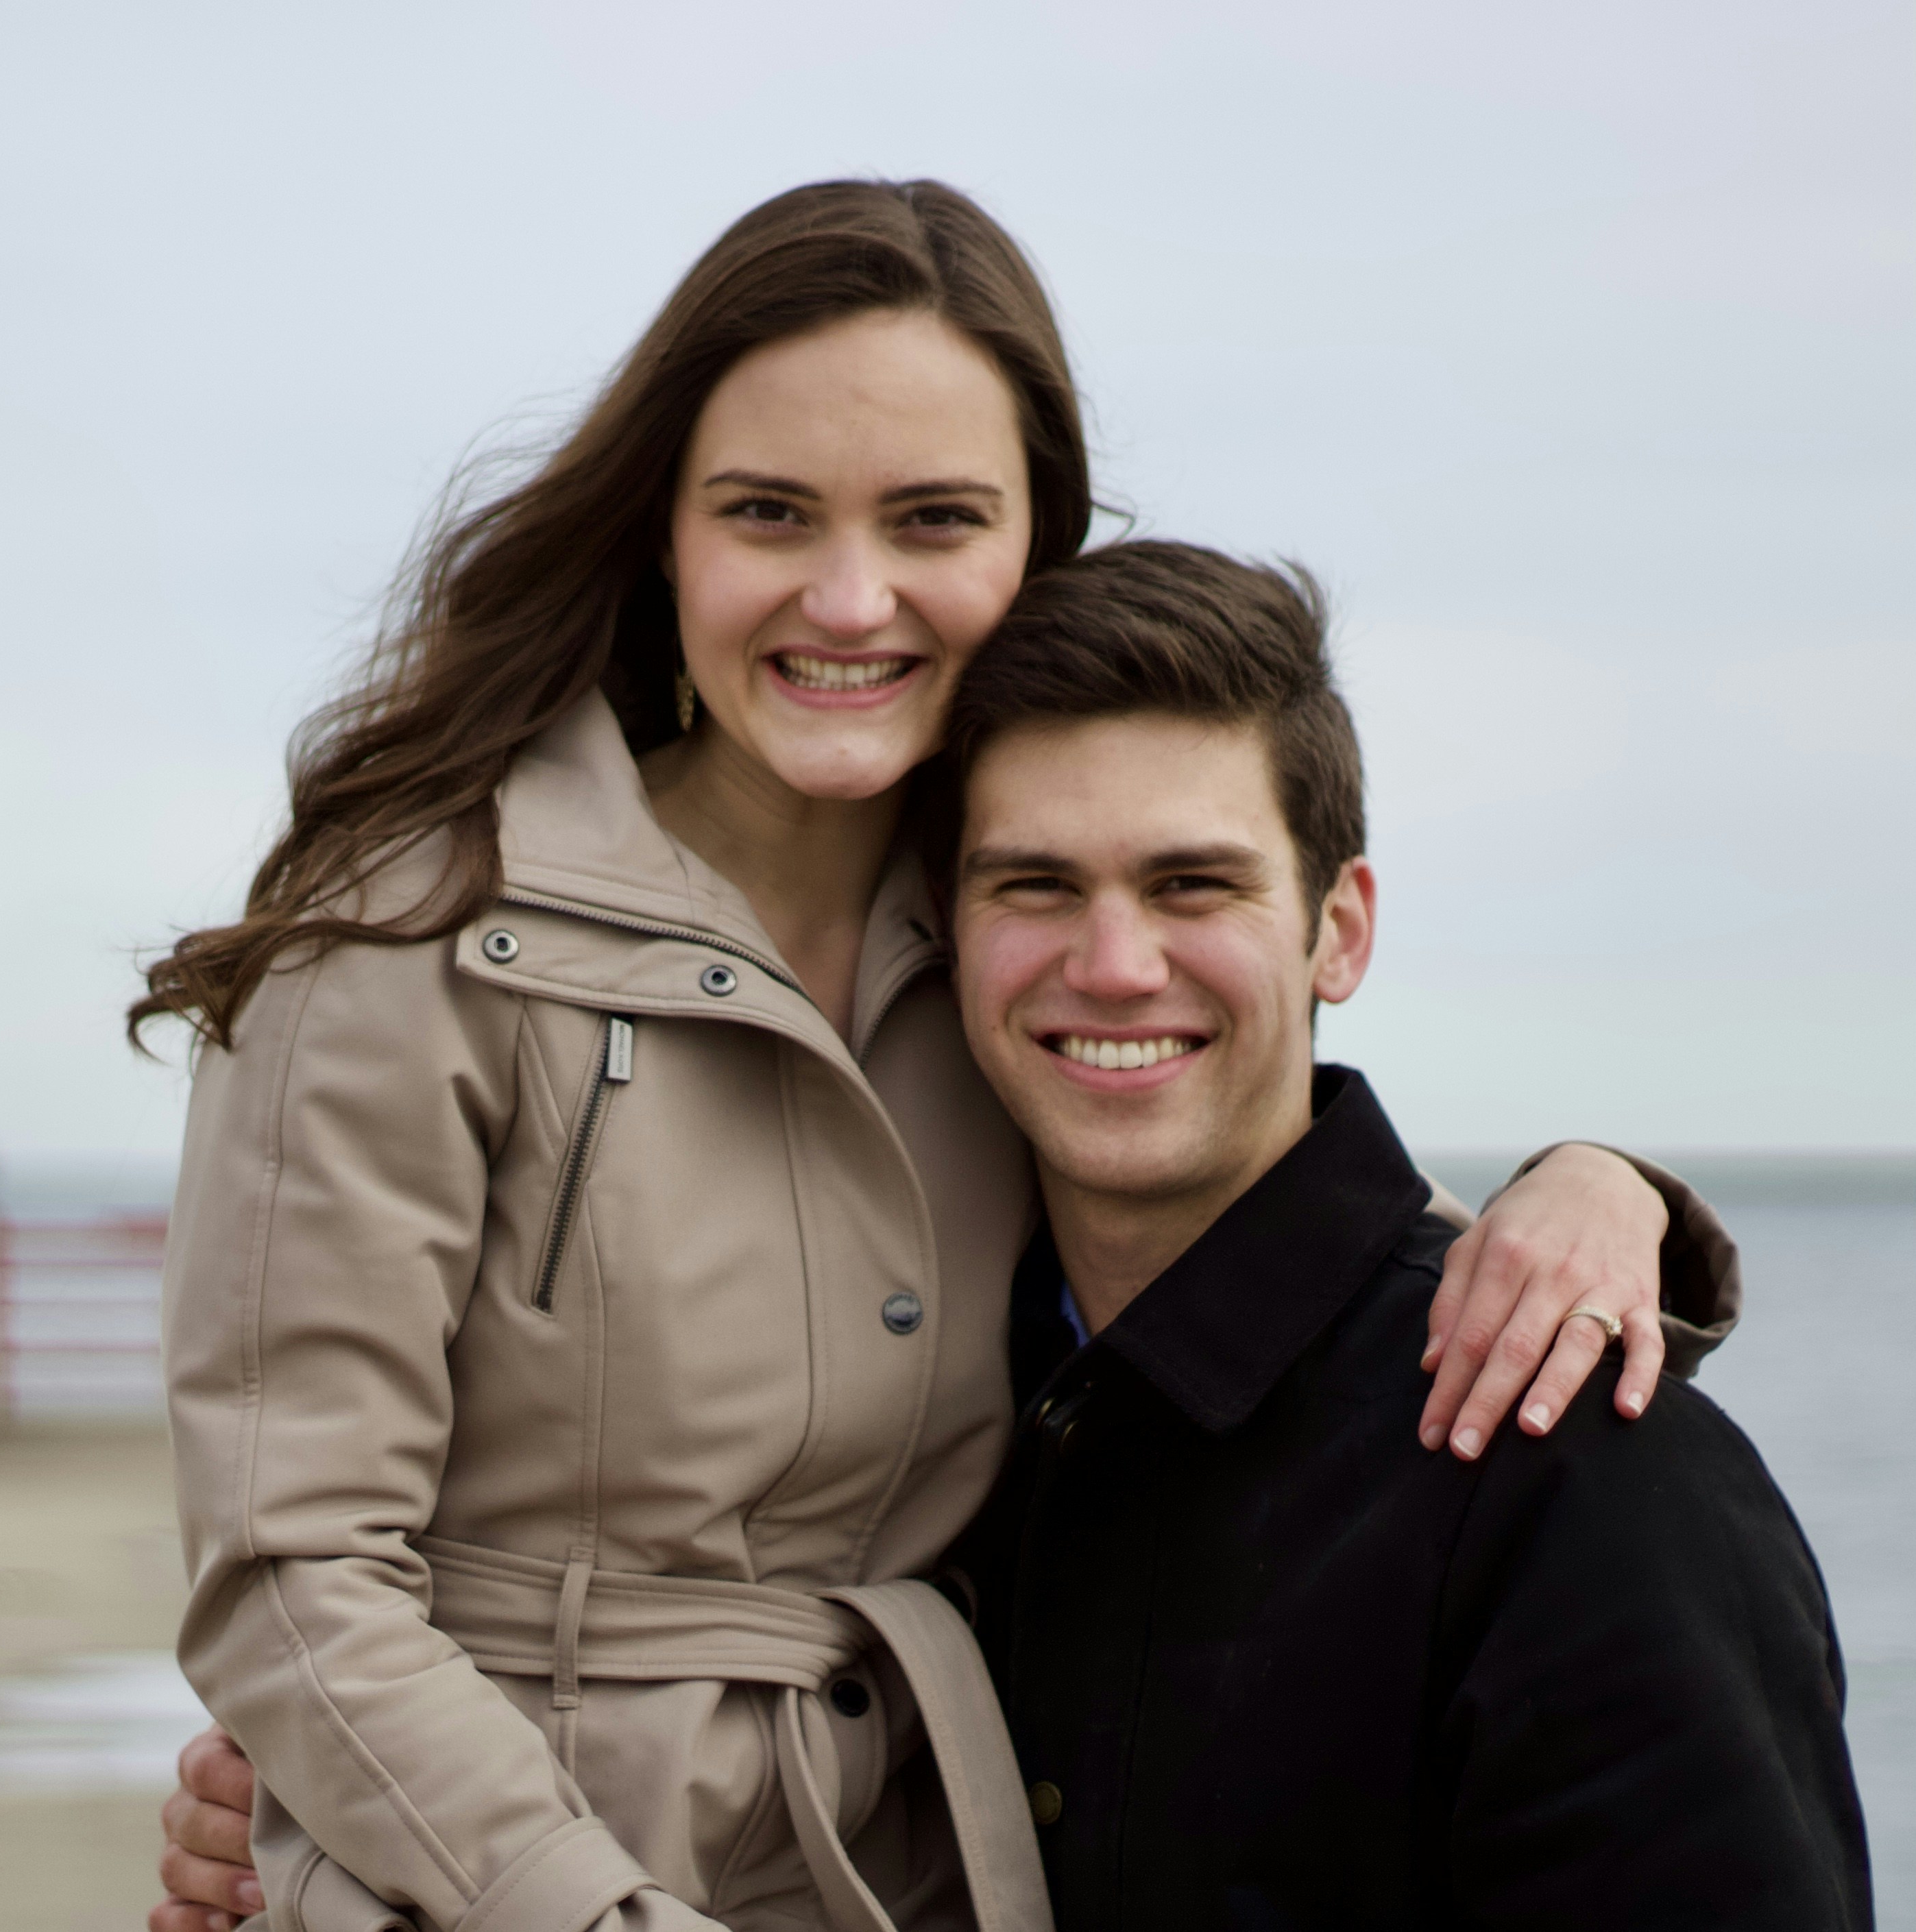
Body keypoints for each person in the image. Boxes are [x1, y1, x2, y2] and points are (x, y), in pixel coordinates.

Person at [136, 182, 1737, 1932]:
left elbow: (1263, 1220)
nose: (847, 597)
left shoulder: (1009, 931)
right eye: (765, 514)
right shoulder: (413, 934)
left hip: (918, 1873)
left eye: (931, 520)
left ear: (1031, 548)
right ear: (662, 534)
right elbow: (289, 1579)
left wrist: (1596, 1194)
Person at [925, 540, 1866, 1927]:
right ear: (941, 928)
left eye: (1192, 886)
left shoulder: (1577, 1471)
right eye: (1032, 885)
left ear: (1337, 930)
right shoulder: (911, 1409)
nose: (1114, 965)